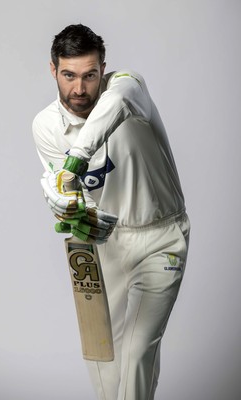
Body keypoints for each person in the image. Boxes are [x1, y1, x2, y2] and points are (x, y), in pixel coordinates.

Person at [32, 23, 190, 400]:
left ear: (104, 68)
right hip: (104, 247)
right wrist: (71, 208)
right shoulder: (46, 125)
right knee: (103, 359)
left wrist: (77, 159)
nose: (79, 89)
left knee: (137, 353)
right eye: (68, 75)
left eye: (90, 75)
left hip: (160, 237)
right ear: (53, 69)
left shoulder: (129, 87)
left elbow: (114, 105)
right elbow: (68, 194)